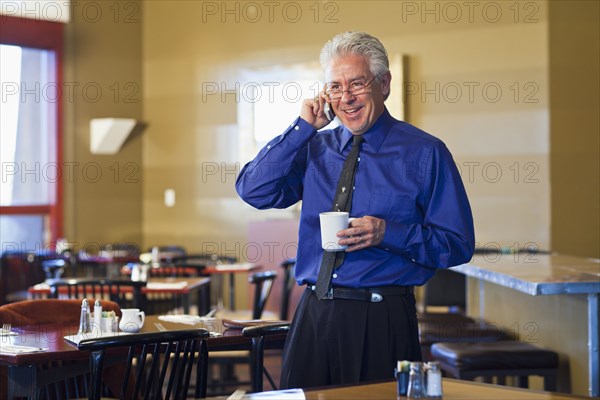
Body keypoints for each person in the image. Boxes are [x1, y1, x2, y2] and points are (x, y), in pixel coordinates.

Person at [235, 31, 475, 389]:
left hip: (384, 319)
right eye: (334, 87)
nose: (345, 97)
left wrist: (387, 233)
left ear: (384, 84)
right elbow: (252, 190)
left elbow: (457, 244)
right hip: (314, 313)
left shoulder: (426, 153)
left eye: (357, 84)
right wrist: (302, 128)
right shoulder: (314, 147)